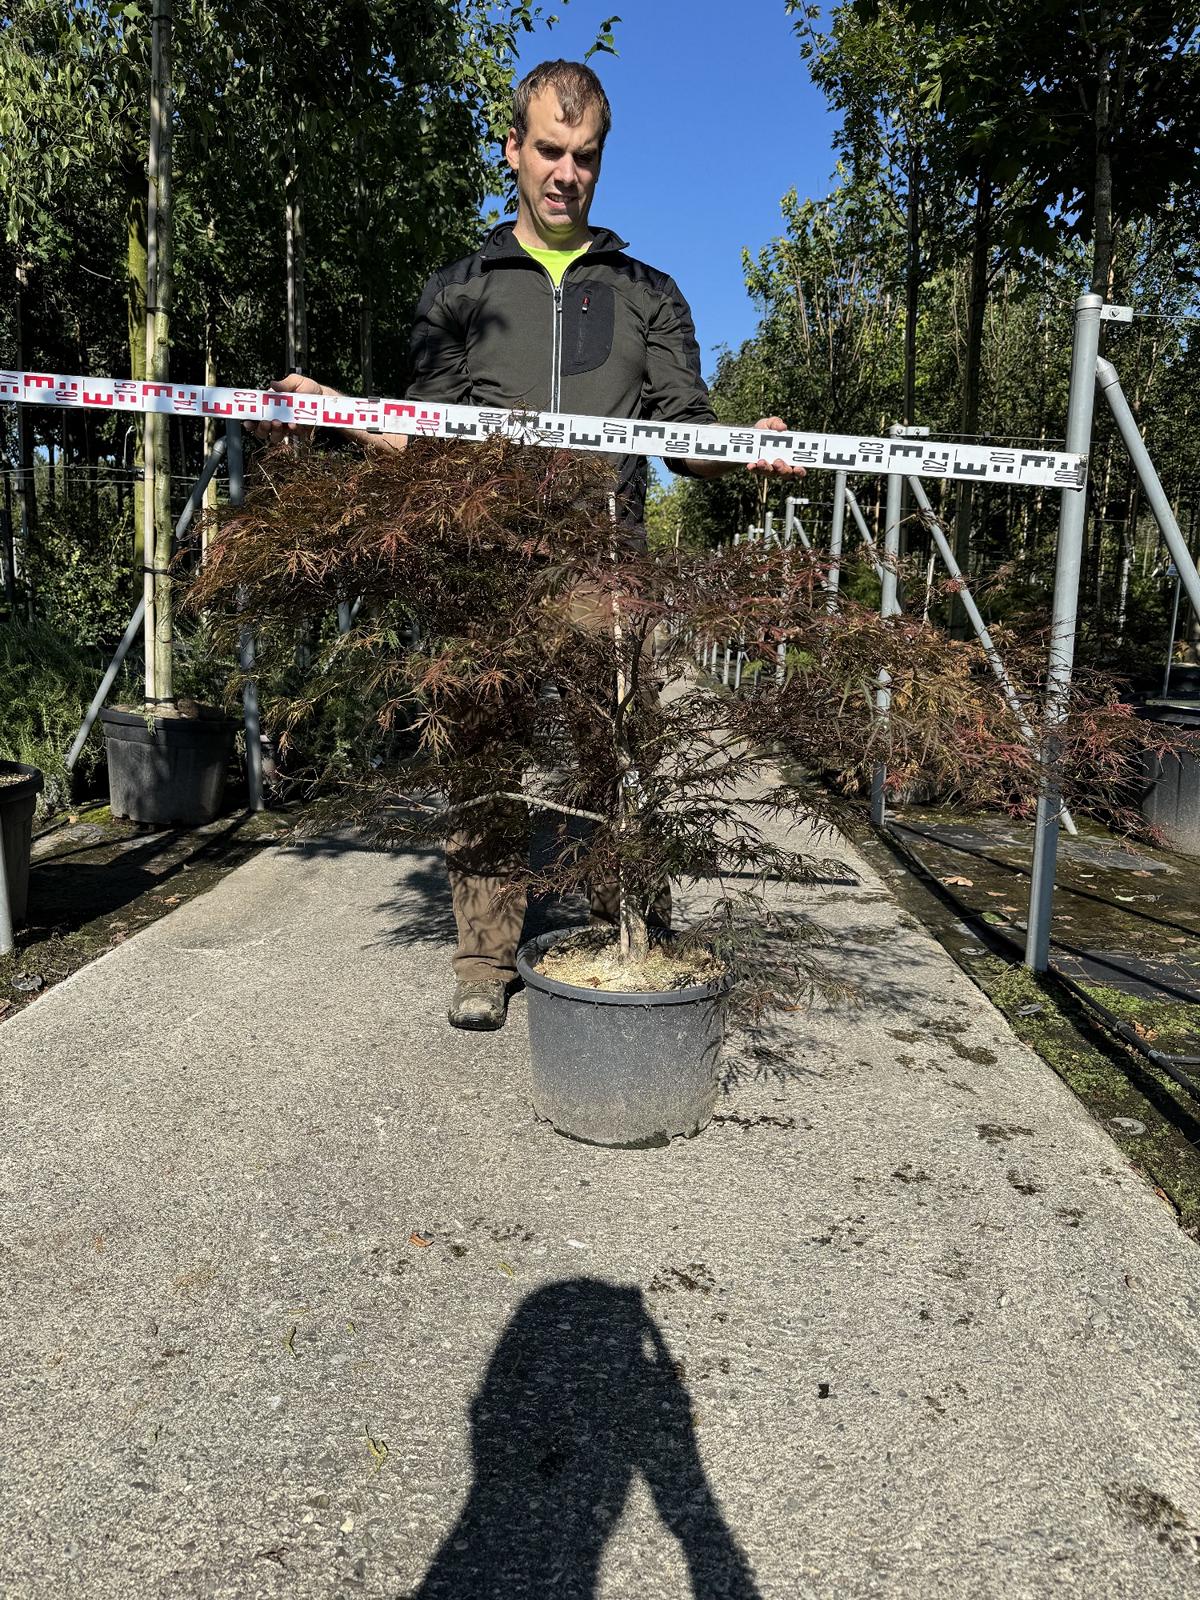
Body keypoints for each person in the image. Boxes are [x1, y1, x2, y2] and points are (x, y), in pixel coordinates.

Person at [255, 59, 805, 1031]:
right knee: (482, 763)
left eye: (584, 157)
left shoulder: (647, 294)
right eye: (548, 150)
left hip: (607, 572)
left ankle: (630, 933)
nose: (565, 173)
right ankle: (482, 960)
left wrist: (743, 449)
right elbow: (421, 437)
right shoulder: (459, 290)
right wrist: (345, 412)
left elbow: (688, 438)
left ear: (600, 161)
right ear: (511, 149)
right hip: (485, 574)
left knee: (621, 765)